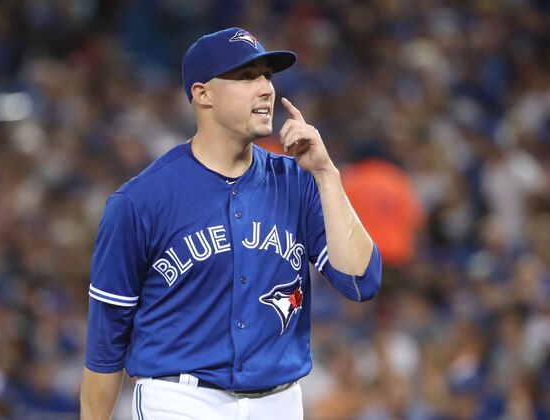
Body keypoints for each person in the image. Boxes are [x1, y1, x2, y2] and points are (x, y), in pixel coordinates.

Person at [80, 27, 382, 420]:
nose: (265, 89)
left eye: (267, 76)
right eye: (245, 77)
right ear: (202, 94)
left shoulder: (299, 181)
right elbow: (106, 342)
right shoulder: (139, 202)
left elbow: (361, 282)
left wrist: (327, 175)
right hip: (179, 401)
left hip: (280, 401)